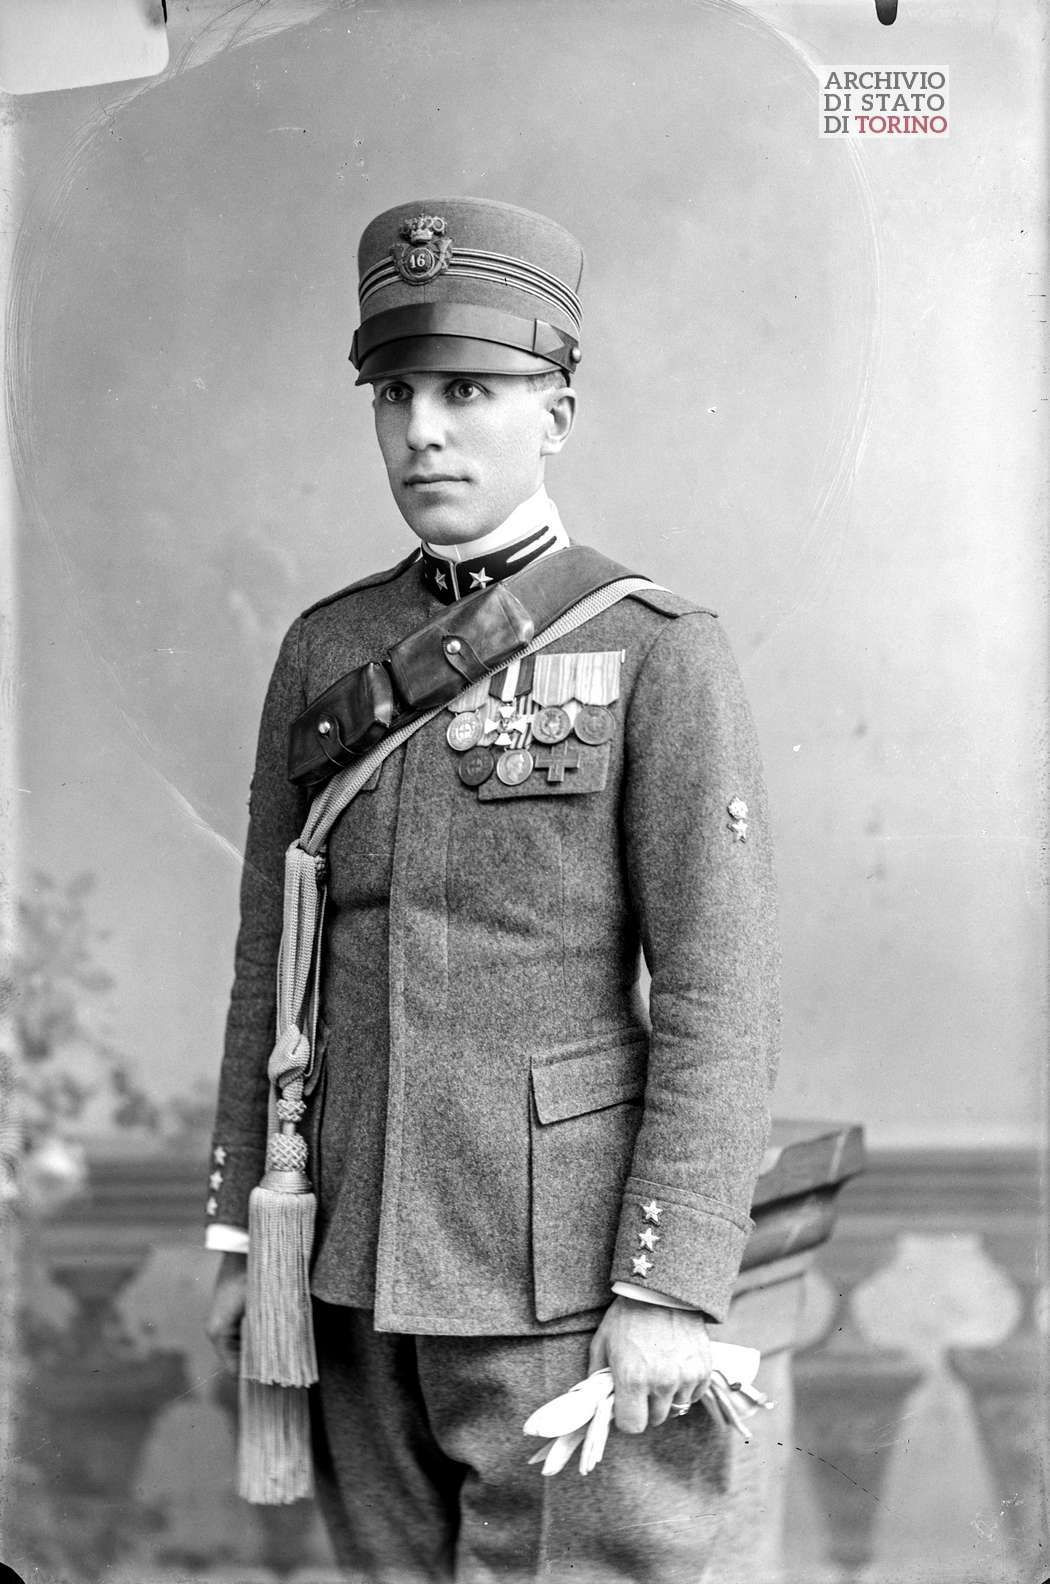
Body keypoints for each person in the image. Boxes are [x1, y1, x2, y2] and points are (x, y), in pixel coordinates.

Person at [205, 196, 780, 1583]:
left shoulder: (655, 650)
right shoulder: (327, 650)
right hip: (345, 1258)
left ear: (555, 414)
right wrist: (240, 1234)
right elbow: (269, 961)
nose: (423, 431)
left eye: (467, 391)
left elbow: (718, 993)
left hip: (560, 1274)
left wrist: (665, 1283)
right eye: (395, 394)